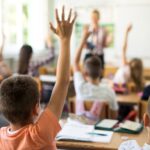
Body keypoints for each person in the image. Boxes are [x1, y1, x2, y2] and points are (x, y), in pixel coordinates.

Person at [0, 7, 76, 150]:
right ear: (36, 109)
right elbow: (63, 82)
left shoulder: (2, 138)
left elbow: (62, 82)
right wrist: (65, 40)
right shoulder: (39, 134)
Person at [73, 27, 118, 120]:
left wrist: (84, 39)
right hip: (105, 133)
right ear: (101, 72)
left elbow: (75, 62)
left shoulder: (80, 87)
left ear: (85, 73)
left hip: (81, 132)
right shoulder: (110, 92)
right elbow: (114, 118)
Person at [113, 24, 144, 93]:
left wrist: (126, 32)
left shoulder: (126, 66)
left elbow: (123, 49)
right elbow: (124, 49)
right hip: (117, 87)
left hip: (117, 88)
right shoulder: (127, 67)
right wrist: (126, 32)